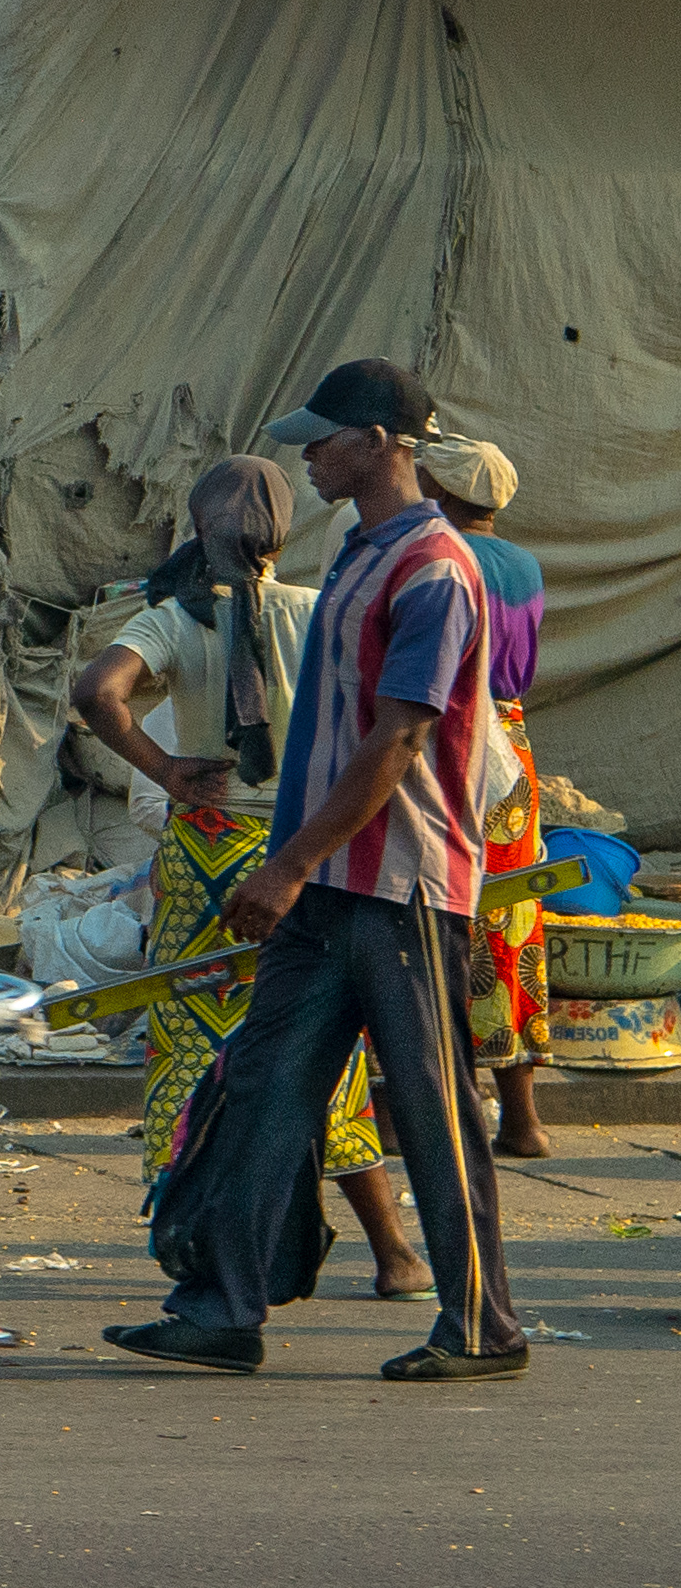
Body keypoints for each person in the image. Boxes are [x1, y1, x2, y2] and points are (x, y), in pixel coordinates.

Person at [116, 360, 523, 1383]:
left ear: (381, 441)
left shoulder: (431, 568)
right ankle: (221, 1307)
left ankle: (481, 1326)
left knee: (429, 1108)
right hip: (326, 881)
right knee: (261, 1086)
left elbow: (395, 741)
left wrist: (286, 865)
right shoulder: (354, 555)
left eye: (323, 438)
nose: (307, 455)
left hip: (400, 887)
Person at [73, 455, 428, 1303]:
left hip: (202, 856)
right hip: (297, 850)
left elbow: (96, 690)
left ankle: (199, 1252)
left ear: (198, 526)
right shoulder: (319, 611)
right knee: (320, 1055)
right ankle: (395, 1254)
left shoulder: (171, 619)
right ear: (278, 530)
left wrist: (163, 767)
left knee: (191, 1044)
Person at [417, 435, 552, 1160]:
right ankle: (521, 1116)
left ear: (442, 492)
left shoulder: (442, 558)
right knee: (508, 917)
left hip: (452, 733)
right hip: (513, 738)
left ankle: (429, 1109)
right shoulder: (523, 563)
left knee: (428, 911)